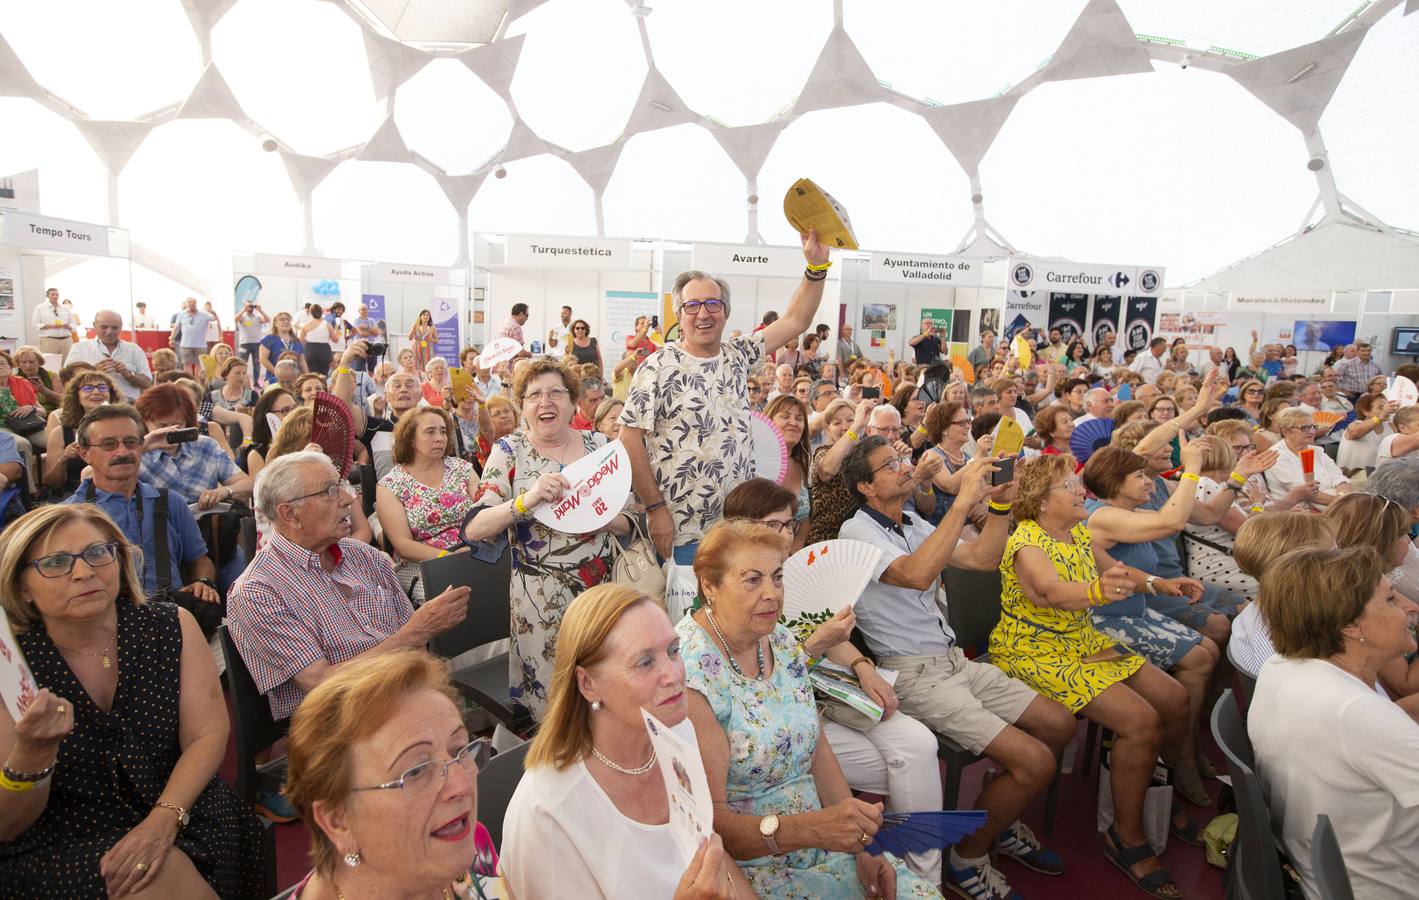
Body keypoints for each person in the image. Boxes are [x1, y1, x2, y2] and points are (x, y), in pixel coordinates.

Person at [838, 437, 1074, 897]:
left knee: (1059, 724)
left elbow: (983, 559)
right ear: (867, 486)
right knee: (1035, 760)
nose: (905, 467)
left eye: (903, 458)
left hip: (953, 663)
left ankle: (998, 814)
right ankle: (966, 860)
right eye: (890, 465)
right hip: (913, 673)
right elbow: (916, 576)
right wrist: (963, 502)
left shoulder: (913, 522)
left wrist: (1000, 508)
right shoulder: (856, 533)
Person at [0, 504, 267, 897]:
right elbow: (8, 824)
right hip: (63, 837)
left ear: (119, 558)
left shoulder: (169, 625)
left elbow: (207, 735)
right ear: (22, 585)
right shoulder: (12, 666)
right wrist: (33, 755)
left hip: (181, 803)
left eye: (97, 552)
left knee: (166, 864)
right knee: (145, 876)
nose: (84, 571)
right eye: (56, 562)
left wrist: (164, 820)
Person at [678, 521, 939, 897]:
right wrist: (813, 829)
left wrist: (863, 844)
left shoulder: (779, 640)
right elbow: (711, 824)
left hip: (823, 839)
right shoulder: (689, 673)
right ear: (709, 586)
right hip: (753, 863)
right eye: (752, 580)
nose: (772, 594)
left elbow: (817, 750)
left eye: (777, 577)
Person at [994, 454, 1190, 897]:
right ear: (1042, 502)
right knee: (1142, 721)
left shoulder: (1077, 531)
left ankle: (1157, 786)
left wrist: (1160, 585)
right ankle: (1128, 836)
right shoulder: (1027, 541)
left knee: (1174, 697)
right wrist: (1099, 592)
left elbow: (1115, 571)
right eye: (1070, 486)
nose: (1081, 490)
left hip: (1081, 640)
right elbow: (1051, 592)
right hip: (1036, 650)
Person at [501, 584, 747, 898]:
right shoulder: (548, 812)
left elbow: (710, 854)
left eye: (673, 650)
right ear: (588, 684)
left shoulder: (676, 733)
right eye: (645, 663)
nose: (673, 675)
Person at [621, 231, 831, 562]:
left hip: (737, 527)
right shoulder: (657, 365)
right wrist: (655, 506)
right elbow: (629, 438)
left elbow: (796, 320)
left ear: (726, 312)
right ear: (679, 313)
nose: (703, 314)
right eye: (692, 305)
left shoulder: (739, 353)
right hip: (680, 530)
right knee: (687, 612)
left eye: (713, 304)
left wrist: (816, 267)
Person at [227, 451, 471, 720]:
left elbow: (417, 648)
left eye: (343, 486)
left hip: (403, 693)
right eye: (330, 492)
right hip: (339, 721)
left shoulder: (362, 555)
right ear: (290, 515)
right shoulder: (258, 590)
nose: (348, 498)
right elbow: (321, 684)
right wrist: (418, 630)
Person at [460, 359, 633, 721]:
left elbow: (631, 521)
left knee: (607, 699)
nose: (546, 402)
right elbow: (475, 529)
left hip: (602, 597)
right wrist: (528, 499)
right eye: (534, 395)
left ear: (573, 402)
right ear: (522, 406)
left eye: (556, 392)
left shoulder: (600, 445)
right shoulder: (509, 452)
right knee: (556, 713)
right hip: (541, 607)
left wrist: (599, 518)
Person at [1248, 546, 1419, 899]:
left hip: (1325, 870)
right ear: (1350, 625)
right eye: (1390, 599)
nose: (1409, 606)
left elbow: (1365, 736)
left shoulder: (1283, 668)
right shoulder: (1357, 714)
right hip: (1389, 884)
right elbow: (1368, 726)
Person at [283, 649, 503, 899]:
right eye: (417, 770)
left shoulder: (469, 842)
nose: (461, 785)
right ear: (338, 821)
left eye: (458, 749)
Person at [1080, 446, 1219, 804]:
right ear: (1115, 482)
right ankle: (1181, 756)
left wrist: (1161, 584)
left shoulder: (1127, 510)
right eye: (1139, 477)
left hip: (1133, 608)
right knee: (1200, 659)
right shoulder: (1103, 516)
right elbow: (1172, 522)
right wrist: (1192, 469)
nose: (1148, 482)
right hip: (1107, 620)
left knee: (1209, 648)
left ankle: (1185, 742)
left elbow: (1114, 568)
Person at [375, 407, 478, 603]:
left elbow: (484, 512)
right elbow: (403, 545)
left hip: (474, 550)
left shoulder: (462, 469)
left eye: (442, 431)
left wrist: (475, 549)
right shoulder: (391, 485)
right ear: (410, 439)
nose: (440, 438)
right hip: (423, 564)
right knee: (454, 598)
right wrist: (448, 557)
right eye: (430, 432)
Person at [42, 370, 116, 496]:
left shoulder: (123, 428)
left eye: (102, 387)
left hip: (114, 494)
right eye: (88, 388)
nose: (96, 392)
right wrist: (64, 458)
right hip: (72, 496)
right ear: (77, 395)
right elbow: (51, 482)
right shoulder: (61, 433)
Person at [1263, 407, 1352, 509]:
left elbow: (1339, 478)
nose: (1311, 431)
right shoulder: (1275, 455)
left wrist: (1344, 494)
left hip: (1333, 502)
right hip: (1298, 512)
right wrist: (1340, 503)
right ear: (1286, 431)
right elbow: (1305, 492)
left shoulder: (1317, 451)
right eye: (1305, 428)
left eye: (1313, 427)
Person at [64, 309, 154, 402]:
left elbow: (147, 384)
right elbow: (67, 383)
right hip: (91, 407)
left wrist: (129, 376)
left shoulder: (134, 350)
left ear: (121, 327)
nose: (109, 332)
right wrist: (93, 372)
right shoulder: (79, 348)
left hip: (127, 406)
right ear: (94, 325)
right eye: (104, 327)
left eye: (114, 328)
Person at [763, 394, 813, 546]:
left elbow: (804, 519)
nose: (793, 423)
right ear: (769, 421)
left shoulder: (801, 466)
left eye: (799, 418)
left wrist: (797, 545)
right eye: (785, 416)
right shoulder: (755, 464)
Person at [258, 311, 306, 387]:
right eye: (282, 319)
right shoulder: (269, 339)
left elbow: (302, 362)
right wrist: (278, 373)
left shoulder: (296, 341)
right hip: (275, 380)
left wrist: (307, 377)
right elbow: (263, 359)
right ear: (275, 323)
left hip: (294, 381)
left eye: (288, 319)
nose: (286, 321)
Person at [169, 298, 212, 379]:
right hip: (185, 344)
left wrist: (211, 311)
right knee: (186, 364)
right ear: (186, 303)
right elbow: (176, 327)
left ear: (196, 303)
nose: (192, 303)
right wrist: (172, 338)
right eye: (190, 302)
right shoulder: (181, 314)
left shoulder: (204, 314)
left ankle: (199, 383)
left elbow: (214, 318)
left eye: (194, 302)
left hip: (200, 345)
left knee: (199, 365)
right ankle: (189, 382)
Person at [12, 345, 62, 414]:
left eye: (31, 362)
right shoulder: (14, 379)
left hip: (53, 413)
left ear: (39, 362)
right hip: (27, 415)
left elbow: (63, 399)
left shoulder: (51, 375)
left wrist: (44, 390)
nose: (28, 366)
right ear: (18, 364)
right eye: (23, 362)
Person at [31, 287, 78, 357]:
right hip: (49, 340)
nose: (55, 296)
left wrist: (69, 326)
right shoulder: (40, 308)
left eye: (57, 294)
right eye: (52, 294)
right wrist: (51, 326)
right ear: (47, 296)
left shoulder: (65, 308)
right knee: (49, 364)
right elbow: (35, 324)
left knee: (67, 364)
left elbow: (74, 324)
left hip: (66, 340)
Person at [297, 303, 335, 376]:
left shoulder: (305, 325)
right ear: (321, 312)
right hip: (324, 349)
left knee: (312, 374)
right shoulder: (327, 324)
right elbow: (335, 339)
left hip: (310, 349)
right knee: (324, 375)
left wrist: (307, 342)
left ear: (310, 312)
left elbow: (300, 341)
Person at [408, 309, 438, 375]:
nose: (426, 316)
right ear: (420, 316)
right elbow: (409, 338)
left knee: (428, 365)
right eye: (424, 314)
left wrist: (431, 340)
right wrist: (413, 330)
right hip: (417, 348)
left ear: (429, 317)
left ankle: (427, 380)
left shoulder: (432, 327)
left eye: (428, 315)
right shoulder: (416, 326)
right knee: (416, 365)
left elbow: (437, 340)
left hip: (428, 348)